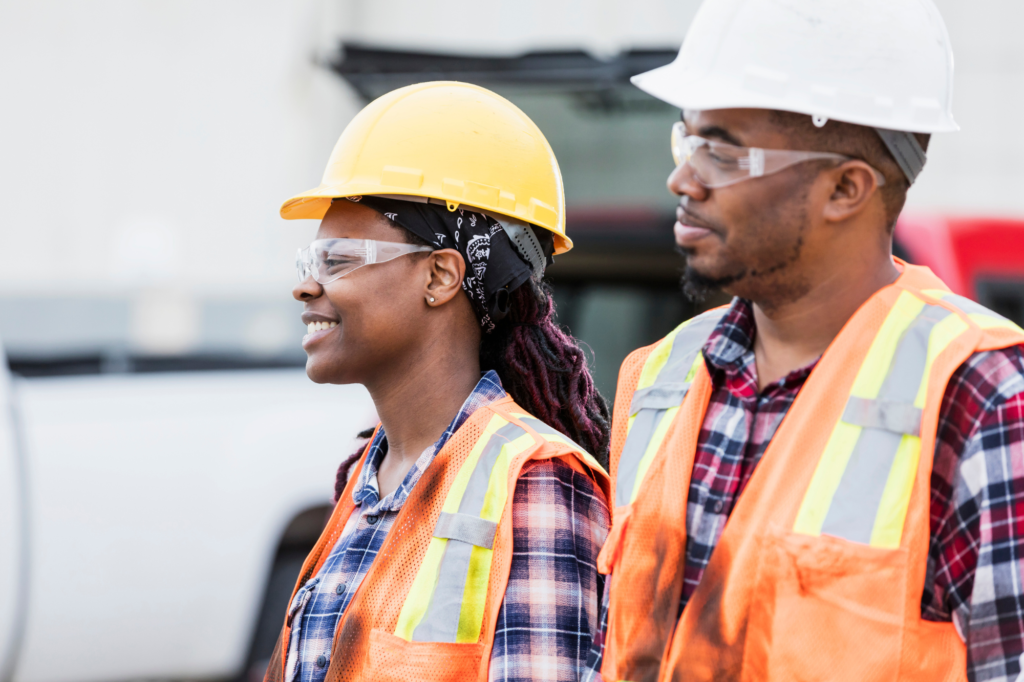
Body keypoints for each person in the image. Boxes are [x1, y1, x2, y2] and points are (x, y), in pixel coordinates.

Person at [584, 1, 1024, 681]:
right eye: (688, 140)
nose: (683, 178)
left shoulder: (979, 394)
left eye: (723, 151)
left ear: (846, 188)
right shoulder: (660, 377)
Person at [264, 82, 612, 682]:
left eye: (339, 260)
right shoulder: (365, 481)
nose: (305, 286)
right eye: (307, 264)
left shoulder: (536, 484)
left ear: (441, 276)